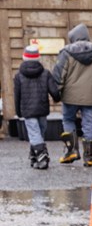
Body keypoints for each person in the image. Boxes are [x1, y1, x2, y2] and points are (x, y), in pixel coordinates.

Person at [52, 22, 92, 165]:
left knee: (68, 120)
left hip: (70, 96)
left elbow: (59, 75)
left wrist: (57, 93)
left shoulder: (66, 53)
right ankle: (89, 156)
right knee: (89, 123)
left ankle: (71, 151)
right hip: (91, 96)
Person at [14, 41, 57, 169]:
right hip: (42, 108)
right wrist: (57, 97)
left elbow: (17, 95)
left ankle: (41, 158)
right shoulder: (46, 73)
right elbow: (54, 91)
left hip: (28, 110)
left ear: (24, 57)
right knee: (39, 133)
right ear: (38, 58)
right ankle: (35, 157)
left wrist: (18, 111)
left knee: (35, 134)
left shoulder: (19, 76)